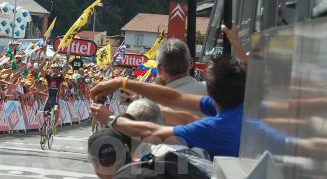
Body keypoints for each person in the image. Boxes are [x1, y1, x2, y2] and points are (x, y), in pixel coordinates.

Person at [90, 56, 246, 158]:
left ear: (209, 91)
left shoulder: (212, 128)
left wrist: (110, 118)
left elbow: (152, 132)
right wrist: (121, 82)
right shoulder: (241, 106)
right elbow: (175, 98)